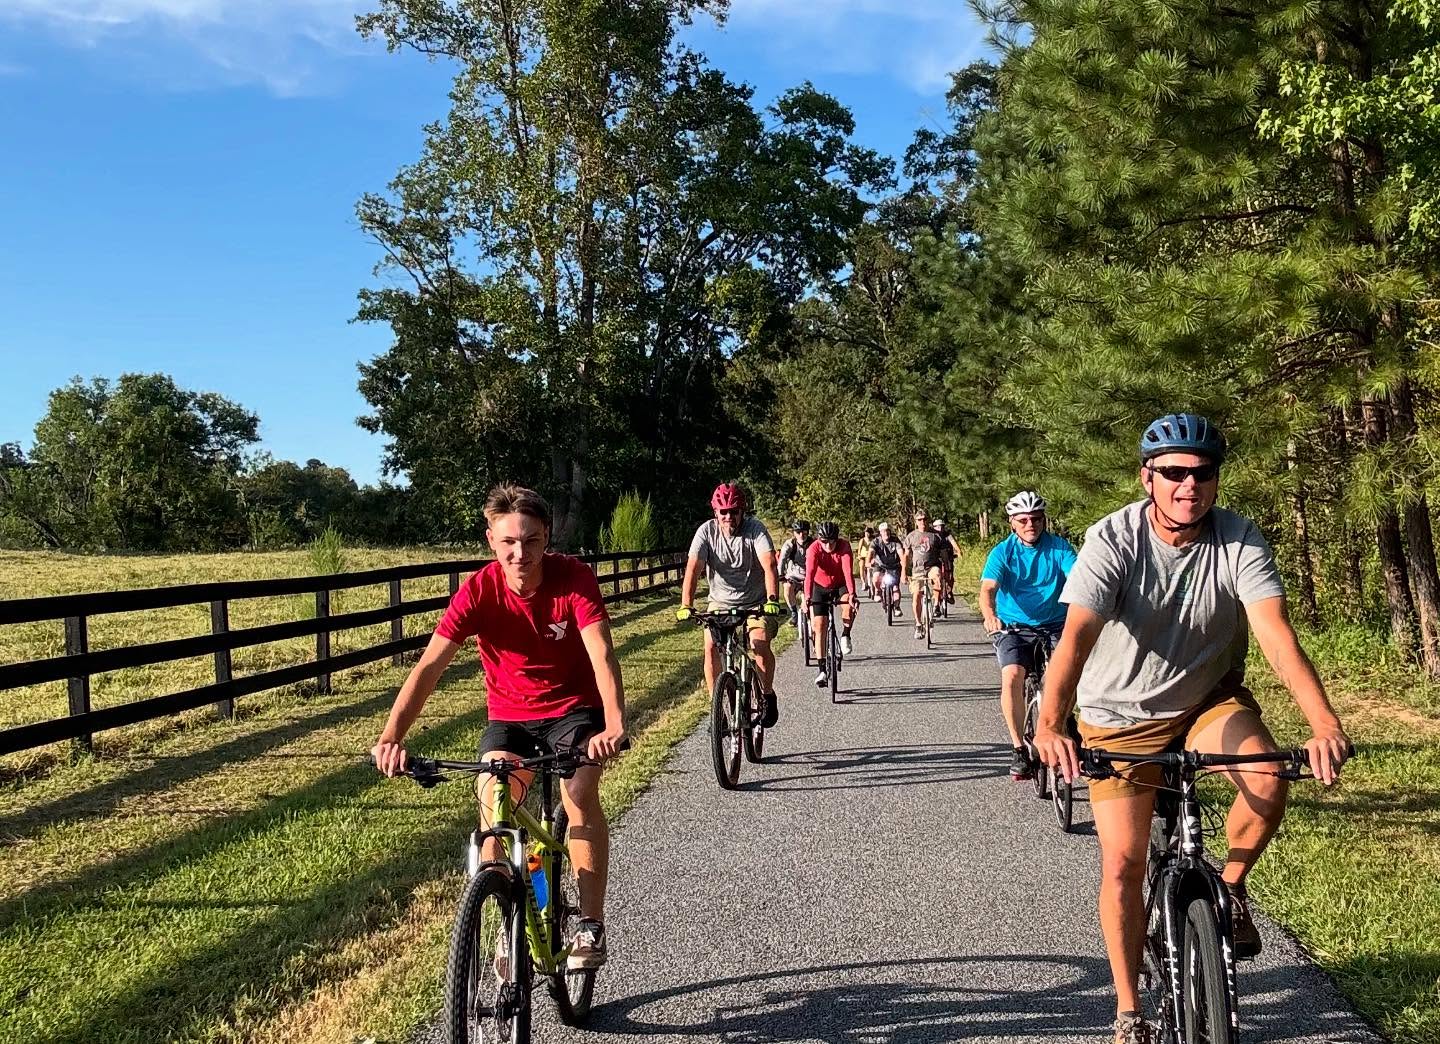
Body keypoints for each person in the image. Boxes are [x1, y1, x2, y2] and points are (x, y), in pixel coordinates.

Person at [1031, 414, 1352, 1044]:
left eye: (1202, 472)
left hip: (1208, 701)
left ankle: (1228, 892)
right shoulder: (1113, 540)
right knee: (1123, 864)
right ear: (1147, 477)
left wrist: (1324, 723)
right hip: (1119, 716)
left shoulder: (1239, 540)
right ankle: (1128, 1009)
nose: (1189, 485)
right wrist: (1050, 723)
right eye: (1174, 472)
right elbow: (1075, 640)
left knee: (1265, 778)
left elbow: (1277, 638)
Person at [372, 483, 628, 971]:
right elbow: (430, 666)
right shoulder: (478, 591)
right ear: (491, 539)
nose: (520, 553)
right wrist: (392, 736)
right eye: (509, 541)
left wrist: (613, 723)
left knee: (578, 791)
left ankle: (590, 923)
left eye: (531, 541)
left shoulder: (573, 579)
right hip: (510, 715)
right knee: (493, 805)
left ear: (546, 537)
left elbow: (602, 652)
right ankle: (508, 924)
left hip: (574, 712)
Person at [979, 491, 1077, 781]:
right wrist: (989, 615)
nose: (1030, 524)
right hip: (1013, 626)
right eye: (1023, 520)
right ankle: (1019, 747)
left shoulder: (1059, 548)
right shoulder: (1003, 552)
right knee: (1012, 676)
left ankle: (1063, 720)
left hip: (1055, 623)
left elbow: (1078, 580)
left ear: (1043, 520)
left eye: (1035, 519)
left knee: (1066, 676)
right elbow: (988, 590)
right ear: (1012, 523)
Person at [677, 482, 785, 725]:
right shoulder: (705, 532)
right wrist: (686, 604)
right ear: (715, 512)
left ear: (742, 511)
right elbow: (693, 569)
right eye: (723, 512)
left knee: (758, 643)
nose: (728, 517)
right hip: (720, 602)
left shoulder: (755, 530)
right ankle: (718, 710)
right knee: (710, 648)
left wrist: (772, 600)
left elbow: (769, 565)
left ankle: (767, 694)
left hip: (757, 602)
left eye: (733, 511)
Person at [805, 520, 857, 685]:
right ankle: (822, 670)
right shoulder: (813, 548)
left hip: (840, 585)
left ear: (837, 539)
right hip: (819, 587)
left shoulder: (844, 547)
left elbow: (848, 572)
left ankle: (846, 634)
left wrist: (852, 594)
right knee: (819, 625)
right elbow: (809, 574)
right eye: (824, 541)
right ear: (819, 540)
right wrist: (807, 598)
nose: (828, 545)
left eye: (831, 541)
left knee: (848, 607)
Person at [900, 507, 945, 639]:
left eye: (925, 519)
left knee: (937, 577)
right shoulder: (911, 536)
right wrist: (903, 572)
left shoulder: (935, 535)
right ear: (916, 521)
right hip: (917, 571)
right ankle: (919, 624)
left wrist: (947, 570)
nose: (923, 522)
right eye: (920, 520)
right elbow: (906, 556)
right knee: (916, 596)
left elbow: (943, 554)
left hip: (932, 567)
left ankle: (936, 605)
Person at [778, 520, 813, 627]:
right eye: (798, 532)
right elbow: (782, 560)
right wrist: (781, 576)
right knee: (787, 588)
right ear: (794, 533)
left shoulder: (813, 544)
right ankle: (793, 612)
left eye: (804, 532)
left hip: (809, 577)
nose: (801, 535)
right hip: (793, 575)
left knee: (806, 602)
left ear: (808, 532)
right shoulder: (790, 544)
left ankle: (810, 617)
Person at [869, 522, 903, 613]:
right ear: (880, 532)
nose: (886, 533)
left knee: (895, 587)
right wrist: (869, 561)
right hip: (880, 565)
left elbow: (901, 552)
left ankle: (897, 607)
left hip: (894, 566)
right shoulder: (876, 541)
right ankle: (877, 591)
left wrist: (903, 562)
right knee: (876, 578)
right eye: (883, 531)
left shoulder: (895, 541)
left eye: (887, 531)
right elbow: (871, 552)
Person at [933, 518, 963, 605]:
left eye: (942, 526)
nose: (940, 528)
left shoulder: (948, 535)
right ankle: (936, 598)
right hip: (936, 560)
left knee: (949, 577)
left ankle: (949, 591)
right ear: (934, 527)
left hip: (948, 558)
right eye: (938, 527)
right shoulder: (933, 536)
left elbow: (954, 544)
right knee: (936, 578)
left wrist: (959, 552)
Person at [856, 525, 876, 596]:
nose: (867, 534)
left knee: (869, 569)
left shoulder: (872, 541)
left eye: (868, 533)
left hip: (869, 556)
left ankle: (870, 583)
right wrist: (859, 555)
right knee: (862, 566)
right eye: (866, 532)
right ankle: (863, 582)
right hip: (863, 556)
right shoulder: (862, 540)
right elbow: (859, 549)